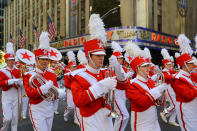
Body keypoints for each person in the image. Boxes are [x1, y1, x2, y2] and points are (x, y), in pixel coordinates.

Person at [71, 14, 128, 131]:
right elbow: (78, 101)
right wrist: (101, 86)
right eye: (97, 56)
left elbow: (125, 85)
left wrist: (118, 68)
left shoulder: (105, 72)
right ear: (89, 56)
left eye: (102, 55)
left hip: (106, 117)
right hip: (90, 119)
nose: (101, 58)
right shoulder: (78, 76)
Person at [23, 32, 65, 131]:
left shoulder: (52, 74)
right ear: (37, 59)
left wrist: (59, 94)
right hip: (36, 108)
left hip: (49, 108)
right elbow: (30, 94)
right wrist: (44, 88)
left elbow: (54, 93)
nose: (45, 62)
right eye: (42, 59)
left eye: (47, 59)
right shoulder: (28, 75)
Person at [124, 41, 167, 131]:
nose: (148, 68)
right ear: (137, 68)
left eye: (148, 65)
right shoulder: (131, 84)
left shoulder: (150, 81)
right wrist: (158, 90)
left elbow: (156, 102)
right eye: (144, 66)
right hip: (141, 124)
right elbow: (142, 102)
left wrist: (161, 97)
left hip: (154, 121)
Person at [171, 34, 197, 131]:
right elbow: (187, 95)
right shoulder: (178, 78)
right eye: (190, 63)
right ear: (184, 65)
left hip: (193, 108)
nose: (193, 65)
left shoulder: (191, 75)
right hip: (186, 108)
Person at [0, 42, 22, 131]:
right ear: (6, 61)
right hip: (6, 95)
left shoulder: (18, 70)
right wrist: (10, 81)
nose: (11, 62)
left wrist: (21, 83)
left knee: (15, 118)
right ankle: (4, 129)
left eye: (12, 60)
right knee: (8, 118)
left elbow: (21, 81)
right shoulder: (2, 71)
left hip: (15, 95)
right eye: (9, 60)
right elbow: (0, 83)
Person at [110, 41, 129, 131]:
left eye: (122, 58)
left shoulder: (121, 67)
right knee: (124, 115)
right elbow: (123, 79)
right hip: (116, 93)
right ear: (116, 59)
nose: (122, 59)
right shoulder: (115, 67)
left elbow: (125, 78)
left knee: (120, 115)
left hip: (122, 93)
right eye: (120, 58)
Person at [160, 48, 179, 126]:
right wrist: (176, 74)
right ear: (165, 65)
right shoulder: (164, 72)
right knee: (174, 105)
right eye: (168, 64)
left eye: (170, 64)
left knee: (176, 105)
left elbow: (174, 72)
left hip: (171, 88)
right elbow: (169, 77)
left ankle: (171, 119)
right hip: (168, 88)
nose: (170, 65)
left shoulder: (168, 71)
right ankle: (164, 113)